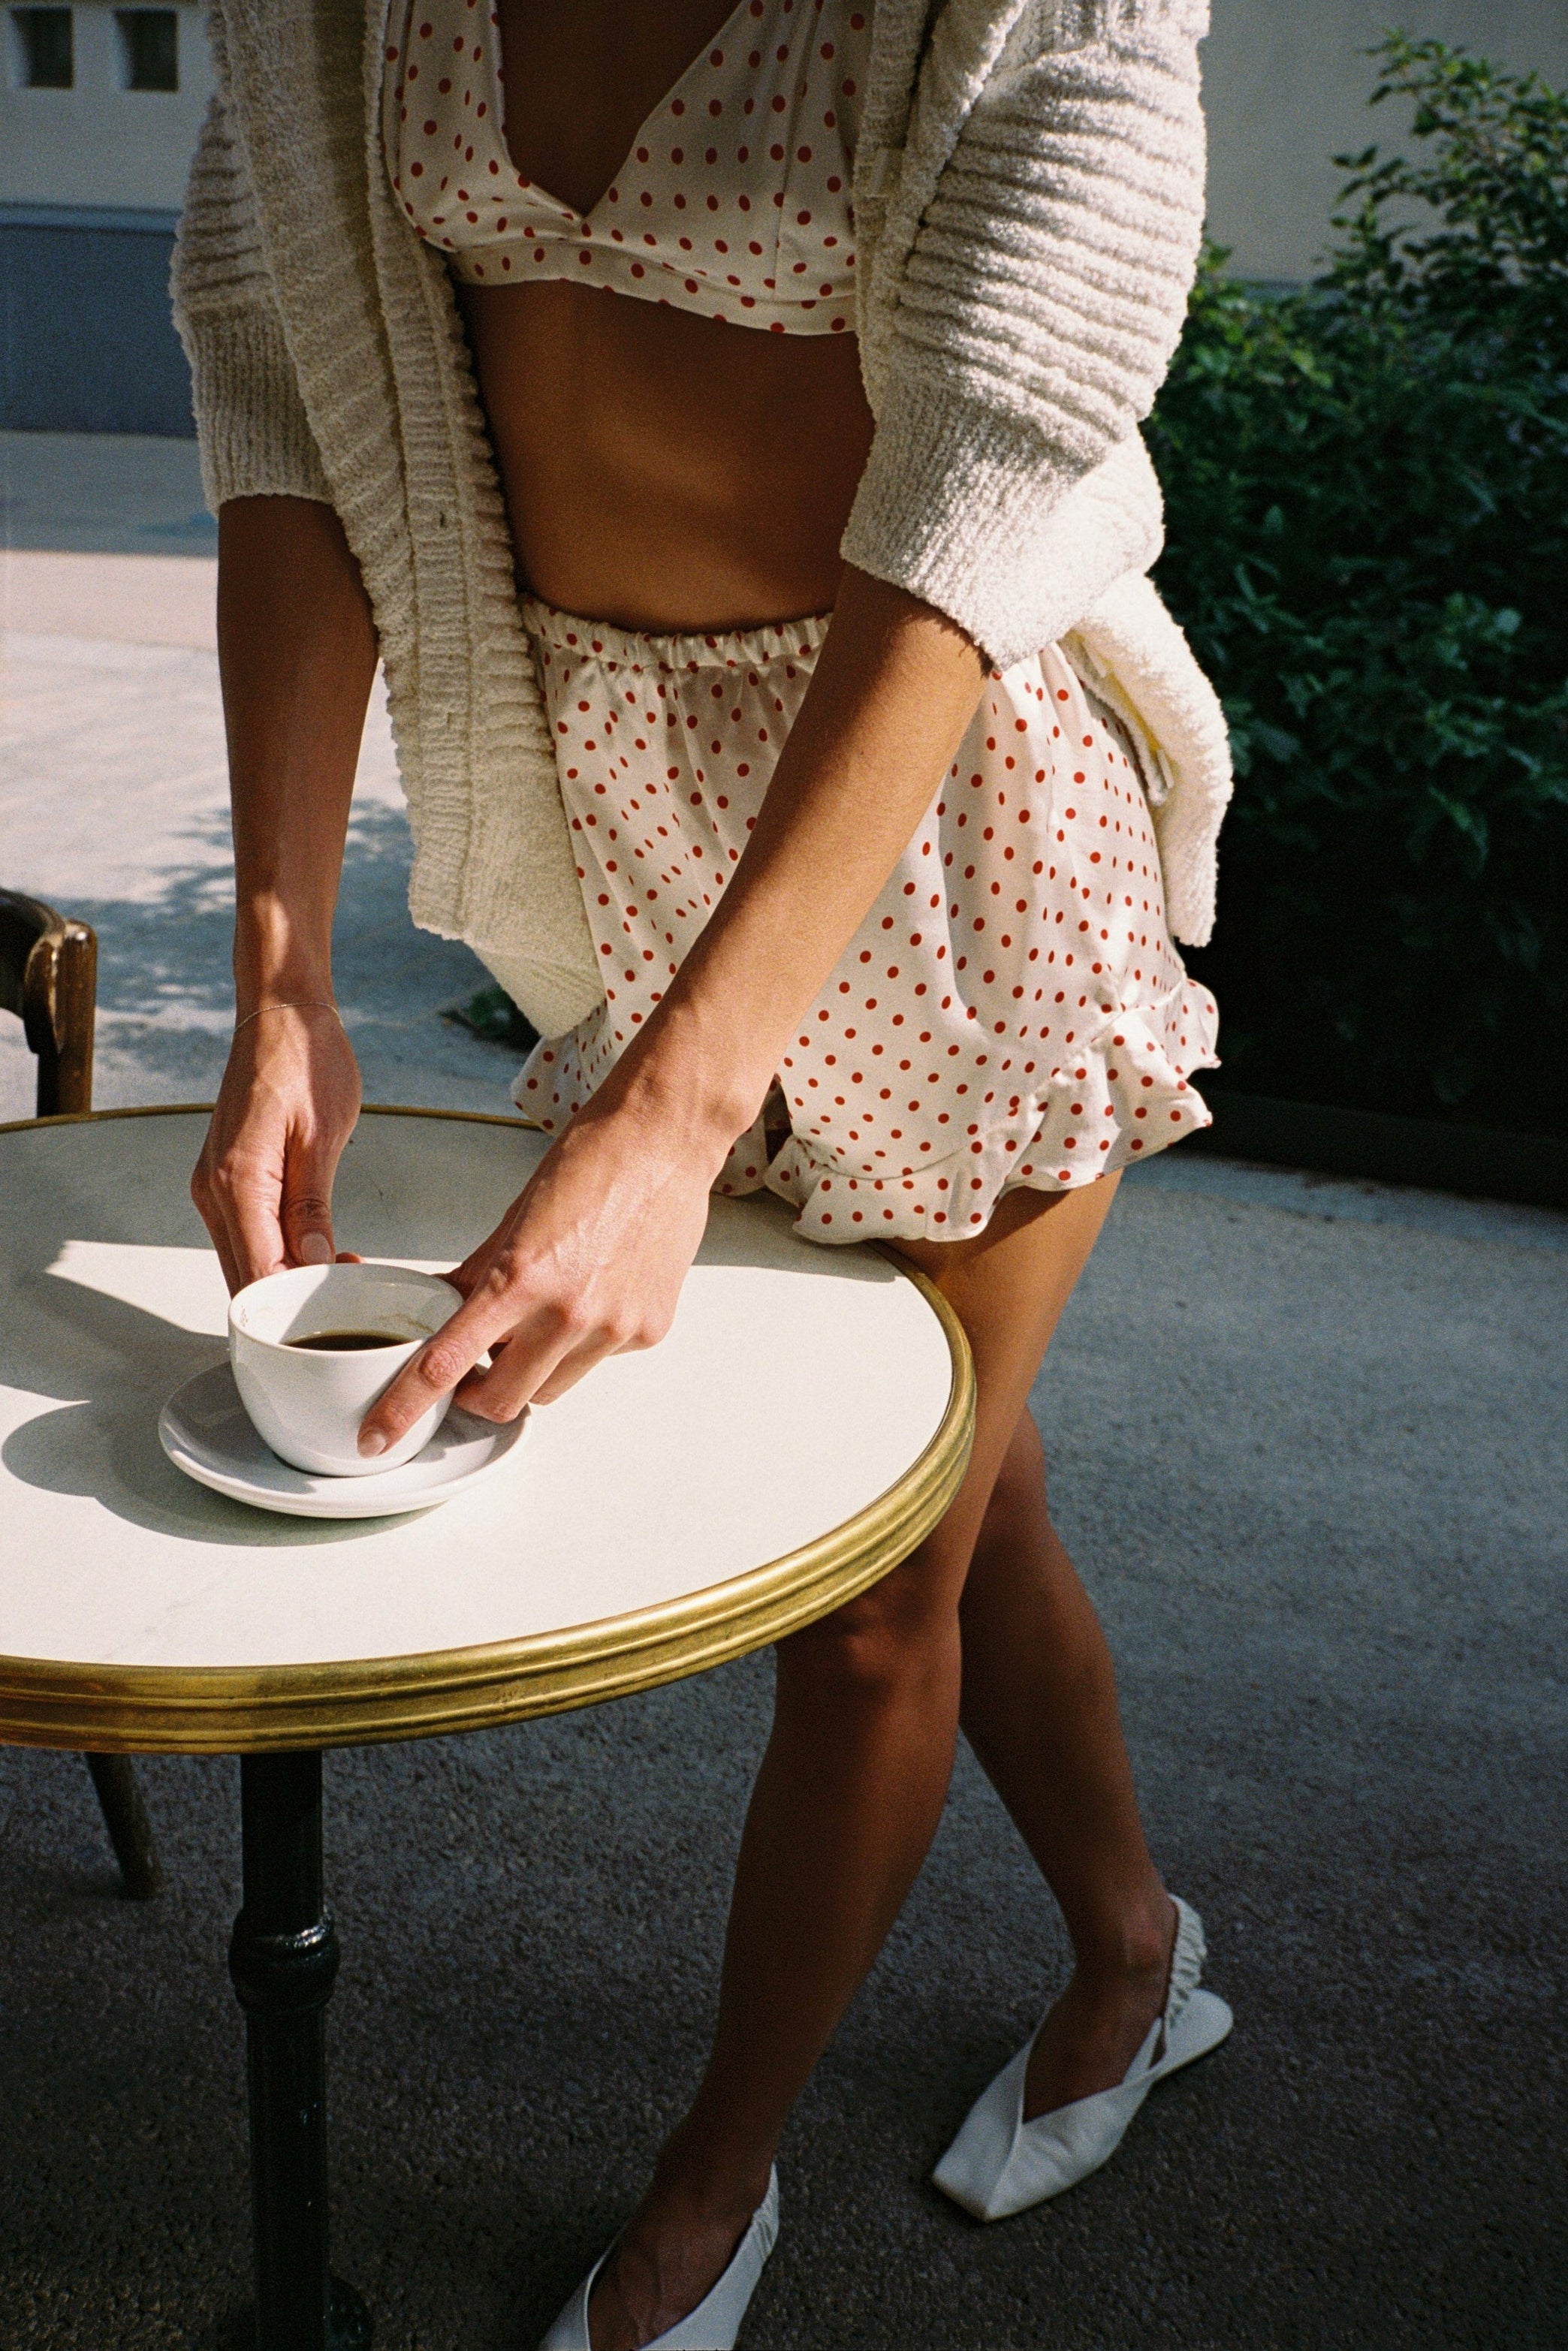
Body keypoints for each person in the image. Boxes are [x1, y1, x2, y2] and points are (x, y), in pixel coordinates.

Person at [174, 4, 1235, 2344]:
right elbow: (291, 391)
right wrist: (278, 974)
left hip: (938, 851)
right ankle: (1139, 1951)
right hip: (623, 825)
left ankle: (713, 2182)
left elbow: (991, 459)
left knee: (866, 1590)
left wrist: (669, 1119)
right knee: (978, 1474)